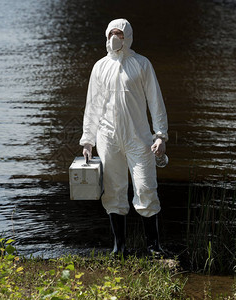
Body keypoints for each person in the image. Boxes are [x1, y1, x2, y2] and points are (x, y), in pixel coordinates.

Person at [80, 18, 168, 256]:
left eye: (118, 34)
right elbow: (93, 106)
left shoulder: (141, 64)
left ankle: (153, 247)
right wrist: (88, 140)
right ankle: (119, 247)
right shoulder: (99, 67)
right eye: (110, 34)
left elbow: (155, 100)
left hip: (139, 139)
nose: (114, 38)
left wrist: (160, 135)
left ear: (127, 36)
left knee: (146, 188)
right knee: (113, 191)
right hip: (108, 138)